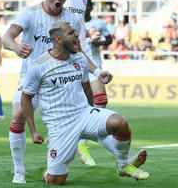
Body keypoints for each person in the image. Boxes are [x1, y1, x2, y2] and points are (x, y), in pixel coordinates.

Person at [2, 0, 112, 184]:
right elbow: (7, 37)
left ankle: (119, 159)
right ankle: (19, 171)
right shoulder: (30, 14)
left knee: (89, 114)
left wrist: (97, 72)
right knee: (17, 114)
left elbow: (79, 51)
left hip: (63, 80)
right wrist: (16, 47)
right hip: (33, 77)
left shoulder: (73, 19)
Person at [21, 21, 150, 185]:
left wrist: (92, 111)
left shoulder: (80, 60)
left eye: (76, 32)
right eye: (71, 33)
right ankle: (49, 172)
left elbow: (86, 88)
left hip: (83, 113)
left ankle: (123, 164)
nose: (77, 35)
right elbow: (26, 97)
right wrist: (33, 130)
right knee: (57, 181)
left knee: (120, 123)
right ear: (58, 39)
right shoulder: (38, 66)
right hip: (60, 124)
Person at [60, 0, 147, 168]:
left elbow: (81, 31)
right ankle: (22, 169)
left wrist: (90, 41)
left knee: (99, 102)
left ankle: (115, 157)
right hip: (60, 61)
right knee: (32, 113)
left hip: (83, 57)